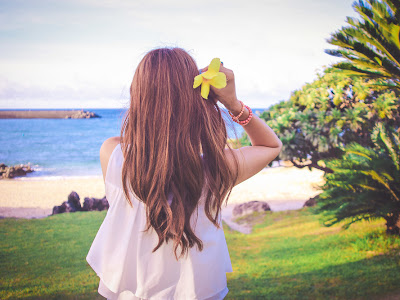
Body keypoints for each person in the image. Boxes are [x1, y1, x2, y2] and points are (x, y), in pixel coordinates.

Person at [86, 47, 283, 300]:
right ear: (195, 101)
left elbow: (141, 150)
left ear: (138, 96)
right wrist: (233, 105)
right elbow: (270, 146)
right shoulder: (217, 168)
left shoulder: (112, 154)